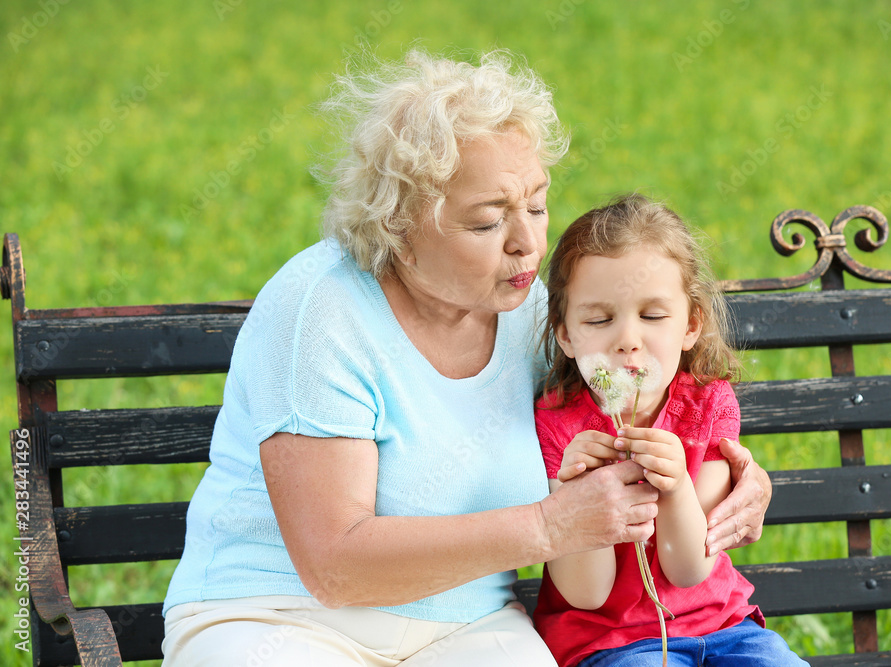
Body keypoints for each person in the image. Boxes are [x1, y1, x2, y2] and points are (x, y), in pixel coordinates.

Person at [161, 51, 772, 666]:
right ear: (399, 224)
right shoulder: (321, 309)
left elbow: (659, 401)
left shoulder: (533, 312)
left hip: (467, 626)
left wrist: (743, 482)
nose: (529, 244)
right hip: (281, 619)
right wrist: (551, 525)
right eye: (487, 224)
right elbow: (335, 568)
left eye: (536, 206)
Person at [533, 194, 805, 667]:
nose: (627, 340)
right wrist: (579, 493)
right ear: (566, 334)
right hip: (610, 643)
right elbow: (586, 593)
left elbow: (690, 569)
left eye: (653, 316)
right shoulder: (560, 424)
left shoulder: (708, 405)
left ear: (690, 325)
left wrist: (677, 484)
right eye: (599, 319)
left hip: (722, 627)